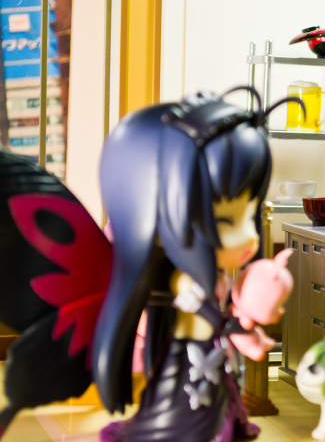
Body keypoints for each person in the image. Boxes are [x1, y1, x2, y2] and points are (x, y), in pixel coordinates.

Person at [93, 89, 296, 441]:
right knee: (191, 421)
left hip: (210, 357)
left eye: (249, 216)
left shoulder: (210, 274)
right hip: (190, 363)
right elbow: (206, 312)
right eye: (224, 222)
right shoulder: (184, 282)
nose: (249, 237)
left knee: (218, 411)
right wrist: (235, 329)